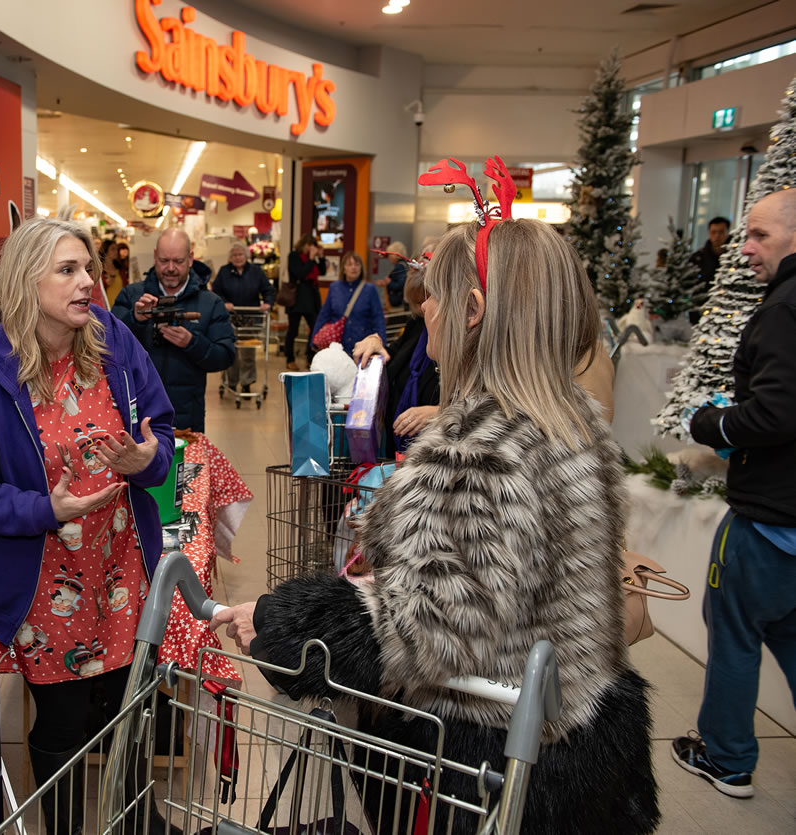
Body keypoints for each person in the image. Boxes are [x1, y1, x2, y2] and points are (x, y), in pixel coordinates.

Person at [212, 217, 660, 834]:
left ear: (473, 310)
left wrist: (281, 620)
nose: (424, 308)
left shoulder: (479, 453)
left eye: (435, 295)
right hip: (575, 741)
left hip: (486, 765)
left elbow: (424, 637)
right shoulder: (566, 426)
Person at [0, 218, 178, 834]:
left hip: (122, 565)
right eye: (67, 270)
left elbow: (164, 432)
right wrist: (47, 510)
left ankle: (138, 821)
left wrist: (150, 461)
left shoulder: (114, 342)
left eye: (88, 268)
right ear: (25, 281)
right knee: (65, 724)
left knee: (133, 710)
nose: (87, 282)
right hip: (42, 582)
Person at [672, 189, 796, 799]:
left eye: (760, 236)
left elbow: (775, 412)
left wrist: (711, 423)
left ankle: (727, 759)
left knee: (734, 637)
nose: (744, 248)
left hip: (766, 522)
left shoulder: (783, 308)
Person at [113, 228, 235, 432]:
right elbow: (105, 346)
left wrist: (192, 343)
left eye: (178, 261)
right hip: (136, 416)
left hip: (187, 419)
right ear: (154, 257)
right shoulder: (131, 296)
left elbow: (225, 356)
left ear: (190, 258)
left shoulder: (210, 303)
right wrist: (134, 320)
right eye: (163, 261)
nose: (170, 268)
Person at [355, 269, 438, 456]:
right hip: (401, 447)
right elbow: (392, 355)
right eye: (416, 302)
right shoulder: (416, 325)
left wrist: (439, 412)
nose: (422, 308)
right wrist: (374, 342)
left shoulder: (464, 342)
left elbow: (480, 402)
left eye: (425, 300)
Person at [212, 241, 274, 394]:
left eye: (240, 254)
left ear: (246, 255)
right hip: (230, 318)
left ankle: (247, 382)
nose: (238, 257)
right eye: (234, 255)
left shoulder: (256, 271)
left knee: (247, 352)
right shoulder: (224, 271)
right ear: (230, 257)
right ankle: (231, 382)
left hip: (250, 318)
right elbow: (215, 291)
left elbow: (268, 290)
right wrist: (224, 303)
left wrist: (267, 303)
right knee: (231, 351)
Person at [309, 250, 385, 358]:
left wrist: (381, 343)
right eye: (349, 264)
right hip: (338, 346)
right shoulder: (334, 288)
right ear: (343, 268)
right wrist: (314, 339)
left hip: (362, 345)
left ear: (361, 268)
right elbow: (324, 315)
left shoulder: (370, 289)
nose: (353, 267)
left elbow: (378, 318)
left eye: (357, 264)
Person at [284, 233, 326, 369]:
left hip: (311, 298)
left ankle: (311, 357)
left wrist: (321, 257)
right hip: (297, 299)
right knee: (293, 330)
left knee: (315, 328)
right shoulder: (294, 256)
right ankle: (290, 359)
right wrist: (311, 259)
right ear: (304, 245)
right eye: (310, 246)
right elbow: (300, 274)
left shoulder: (313, 259)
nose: (311, 249)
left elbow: (322, 271)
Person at [692, 216, 730, 285]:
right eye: (713, 232)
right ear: (709, 233)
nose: (717, 236)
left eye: (721, 232)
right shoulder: (698, 258)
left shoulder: (732, 257)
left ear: (727, 233)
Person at [378, 241, 409, 309]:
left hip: (397, 303)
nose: (388, 257)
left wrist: (389, 282)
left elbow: (401, 285)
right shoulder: (405, 264)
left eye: (389, 255)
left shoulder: (399, 267)